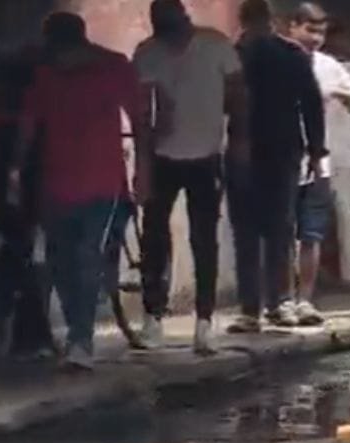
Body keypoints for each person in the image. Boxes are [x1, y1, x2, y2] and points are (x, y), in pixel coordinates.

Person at [16, 11, 151, 371]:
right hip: (57, 184)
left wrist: (142, 171)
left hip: (102, 187)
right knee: (62, 262)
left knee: (87, 258)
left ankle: (81, 339)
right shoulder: (47, 75)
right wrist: (16, 171)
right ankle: (77, 334)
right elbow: (29, 126)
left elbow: (138, 121)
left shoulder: (113, 67)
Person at [132, 0, 247, 353]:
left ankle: (204, 321)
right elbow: (140, 112)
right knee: (154, 237)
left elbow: (238, 93)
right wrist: (142, 164)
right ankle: (153, 317)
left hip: (207, 155)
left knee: (204, 240)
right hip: (162, 155)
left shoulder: (214, 44)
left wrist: (239, 139)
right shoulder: (148, 52)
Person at [226, 0, 325, 334]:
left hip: (247, 150)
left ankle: (254, 307)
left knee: (250, 231)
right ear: (271, 20)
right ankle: (277, 303)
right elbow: (312, 105)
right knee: (277, 228)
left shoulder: (235, 53)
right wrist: (314, 149)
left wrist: (314, 149)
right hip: (280, 150)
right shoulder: (290, 54)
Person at [281, 2, 350, 326]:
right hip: (287, 161)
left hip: (323, 163)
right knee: (284, 236)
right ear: (291, 27)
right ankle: (283, 299)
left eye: (320, 31)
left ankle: (305, 300)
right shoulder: (279, 63)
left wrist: (346, 97)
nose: (315, 38)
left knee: (311, 234)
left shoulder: (329, 66)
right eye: (309, 29)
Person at [0, 40, 56, 361]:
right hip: (31, 182)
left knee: (18, 249)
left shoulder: (1, 105)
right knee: (25, 252)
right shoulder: (36, 101)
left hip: (13, 181)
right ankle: (20, 327)